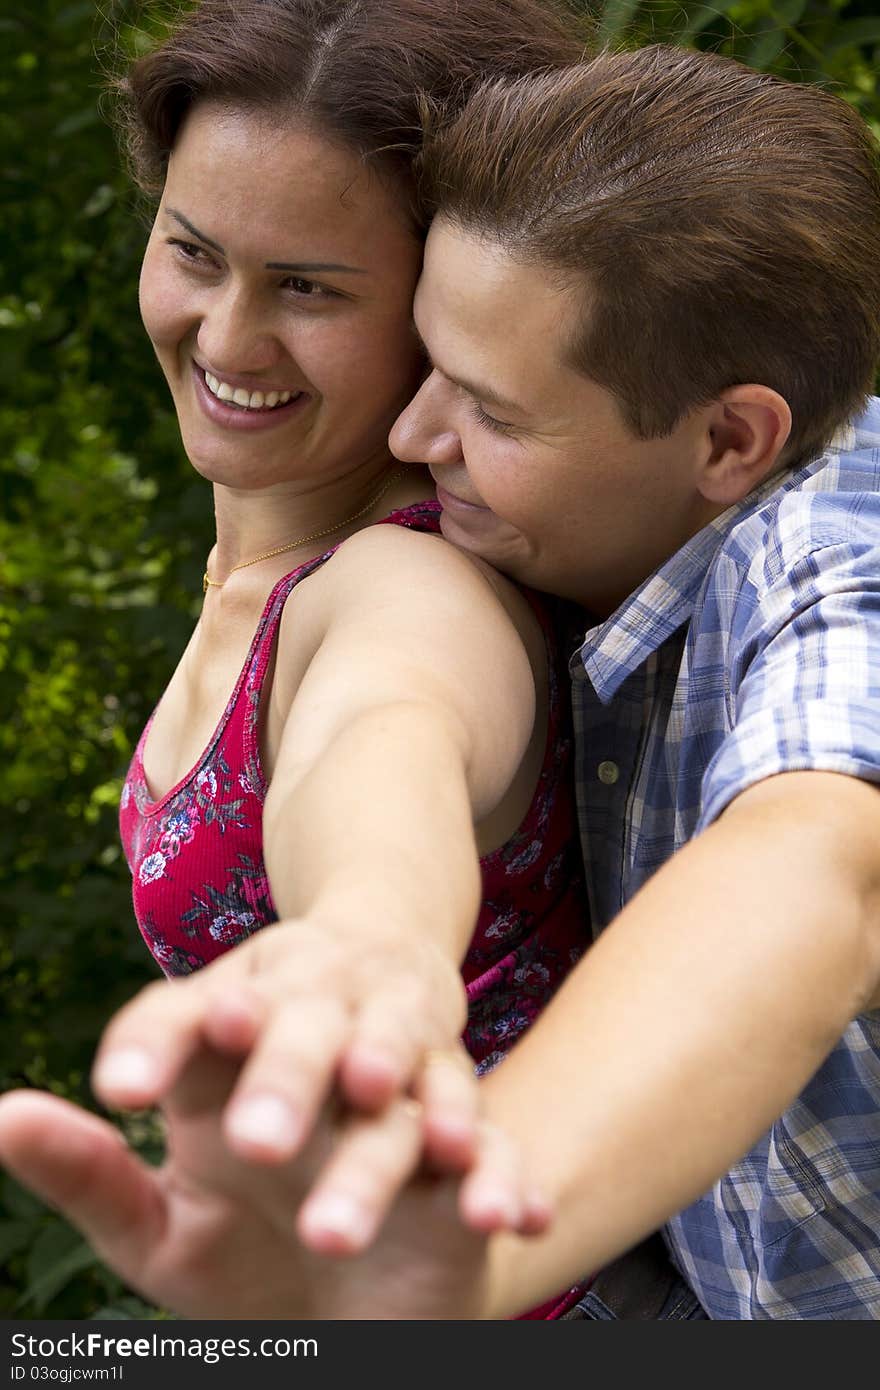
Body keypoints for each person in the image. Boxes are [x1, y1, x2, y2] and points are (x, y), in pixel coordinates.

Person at [3, 41, 880, 1321]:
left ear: (729, 440)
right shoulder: (602, 565)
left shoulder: (837, 542)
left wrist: (377, 940)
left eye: (488, 407)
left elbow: (820, 865)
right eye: (193, 248)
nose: (419, 439)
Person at [0, 0, 599, 1319]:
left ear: (448, 304)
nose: (225, 339)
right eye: (194, 252)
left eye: (310, 288)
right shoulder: (262, 565)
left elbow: (387, 734)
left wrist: (373, 939)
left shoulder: (411, 580)